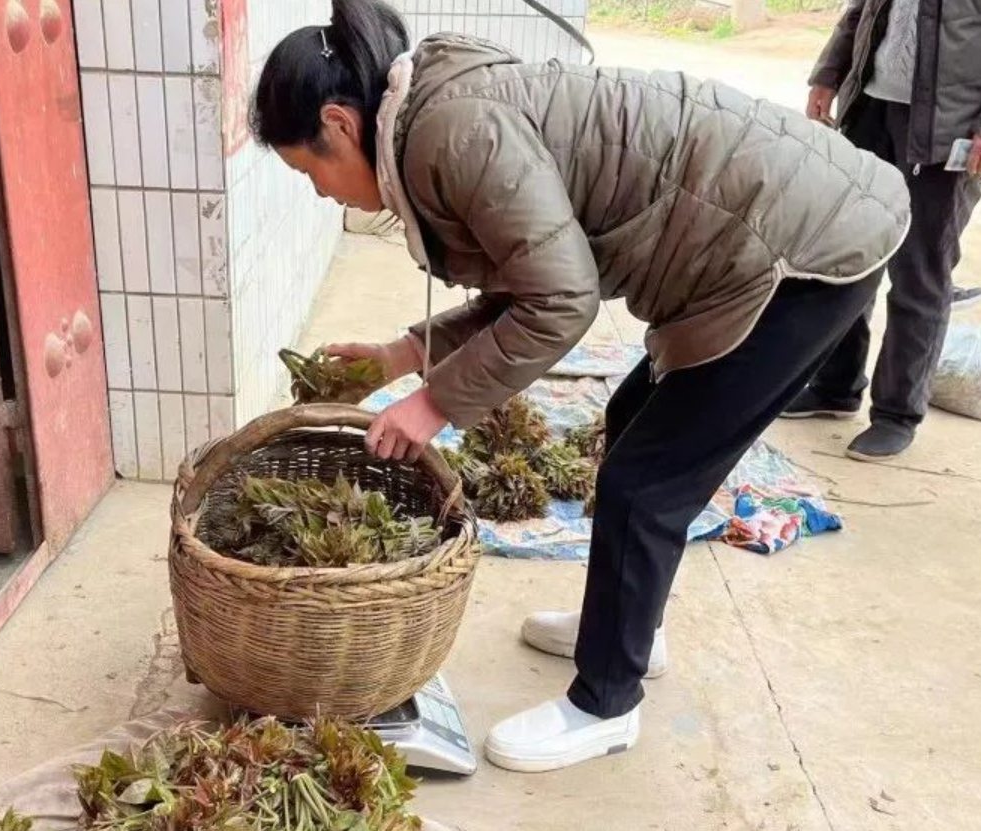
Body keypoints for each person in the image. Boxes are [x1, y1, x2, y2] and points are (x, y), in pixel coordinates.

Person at [251, 0, 909, 773]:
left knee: (645, 483)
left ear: (339, 125)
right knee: (632, 421)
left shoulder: (451, 133)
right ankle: (629, 626)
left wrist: (433, 404)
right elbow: (531, 272)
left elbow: (561, 302)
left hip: (799, 252)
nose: (323, 194)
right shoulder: (434, 114)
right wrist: (403, 354)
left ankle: (607, 701)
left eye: (310, 171)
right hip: (770, 225)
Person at [784, 0, 981, 460]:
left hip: (949, 126)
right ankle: (836, 386)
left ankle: (896, 413)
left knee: (920, 271)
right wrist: (828, 73)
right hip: (870, 108)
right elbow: (861, 9)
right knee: (850, 255)